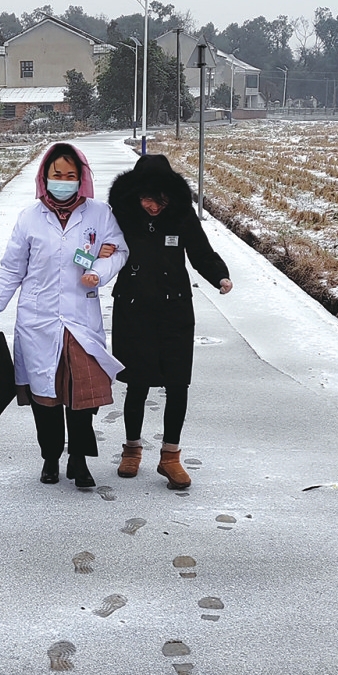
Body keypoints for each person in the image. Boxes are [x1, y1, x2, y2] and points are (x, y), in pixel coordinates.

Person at [0, 143, 127, 489]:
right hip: (39, 320)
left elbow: (119, 251)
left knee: (82, 394)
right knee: (45, 397)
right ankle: (50, 457)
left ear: (82, 178)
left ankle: (79, 459)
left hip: (80, 319)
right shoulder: (30, 218)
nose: (63, 181)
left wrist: (99, 271)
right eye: (57, 175)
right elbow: (12, 268)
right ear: (44, 176)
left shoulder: (99, 214)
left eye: (70, 175)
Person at [107, 152, 232, 490]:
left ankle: (170, 456)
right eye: (148, 199)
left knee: (178, 384)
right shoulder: (120, 215)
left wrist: (219, 276)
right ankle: (132, 449)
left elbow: (201, 252)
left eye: (160, 200)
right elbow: (98, 245)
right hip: (133, 308)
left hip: (174, 309)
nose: (154, 206)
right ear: (136, 194)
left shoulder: (180, 214)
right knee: (137, 382)